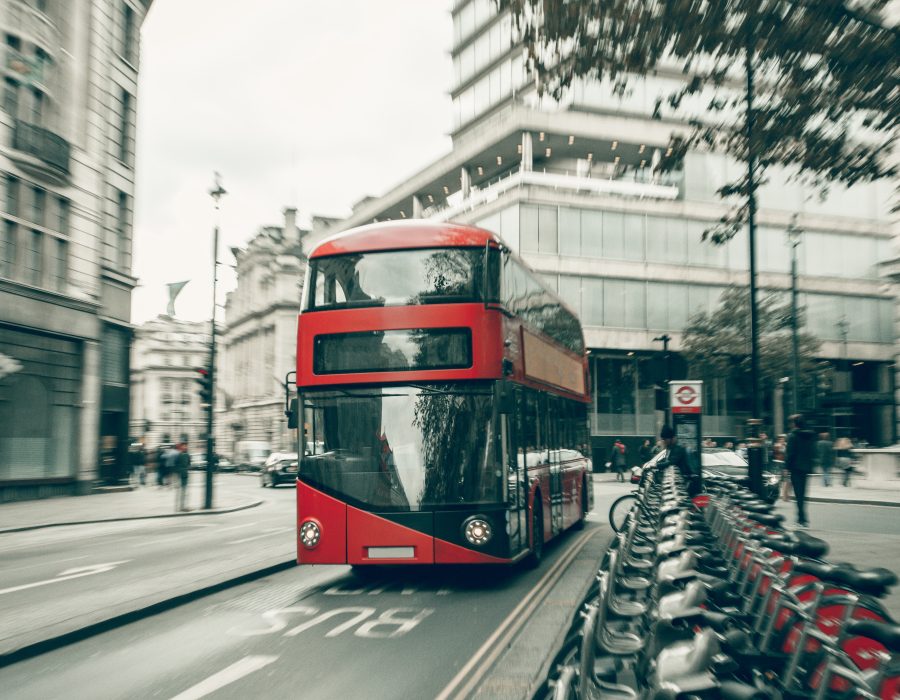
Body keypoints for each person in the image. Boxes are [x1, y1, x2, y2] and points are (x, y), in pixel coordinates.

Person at [785, 414, 817, 528]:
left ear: (794, 423)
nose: (790, 424)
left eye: (791, 422)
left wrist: (786, 468)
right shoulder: (810, 435)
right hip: (806, 467)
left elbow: (790, 454)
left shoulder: (792, 436)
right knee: (802, 494)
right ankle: (802, 519)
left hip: (795, 468)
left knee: (798, 494)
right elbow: (813, 451)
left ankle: (801, 520)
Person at [658, 425, 701, 496]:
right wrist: (658, 463)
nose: (664, 442)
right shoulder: (671, 449)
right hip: (677, 482)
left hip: (684, 482)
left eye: (665, 439)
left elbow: (672, 462)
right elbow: (666, 460)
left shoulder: (678, 449)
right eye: (663, 439)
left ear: (672, 438)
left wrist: (657, 465)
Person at [174, 442, 191, 511]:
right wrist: (179, 471)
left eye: (186, 446)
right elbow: (176, 464)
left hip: (185, 474)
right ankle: (179, 507)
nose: (185, 447)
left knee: (185, 491)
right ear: (181, 447)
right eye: (184, 446)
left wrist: (187, 469)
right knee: (180, 491)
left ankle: (183, 506)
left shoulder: (187, 455)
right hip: (180, 474)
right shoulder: (179, 455)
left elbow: (189, 464)